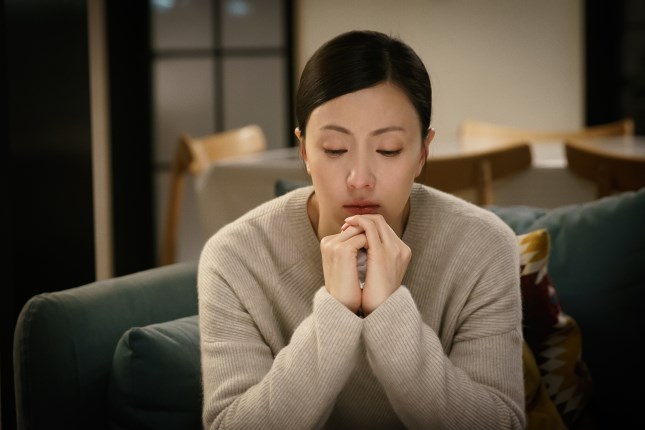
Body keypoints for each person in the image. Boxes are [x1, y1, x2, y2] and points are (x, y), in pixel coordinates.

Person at [198, 30, 525, 429]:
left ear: (423, 153)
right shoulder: (235, 257)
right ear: (304, 151)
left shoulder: (484, 246)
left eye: (388, 150)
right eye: (335, 149)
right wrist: (335, 313)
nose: (360, 179)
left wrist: (389, 313)